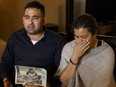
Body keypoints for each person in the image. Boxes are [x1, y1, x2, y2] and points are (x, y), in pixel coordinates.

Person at [0, 1, 64, 87]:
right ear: (23, 19)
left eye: (35, 18)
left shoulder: (56, 40)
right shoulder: (14, 38)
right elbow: (6, 63)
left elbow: (60, 71)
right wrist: (6, 79)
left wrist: (48, 84)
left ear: (44, 20)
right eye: (27, 17)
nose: (30, 22)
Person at [55, 13, 116, 87]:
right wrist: (74, 57)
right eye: (76, 36)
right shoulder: (68, 48)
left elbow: (103, 83)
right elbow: (65, 82)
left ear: (94, 33)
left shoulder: (106, 52)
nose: (79, 41)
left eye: (84, 37)